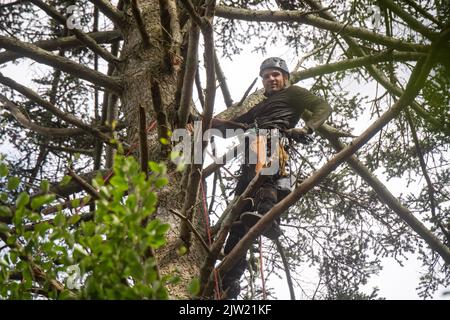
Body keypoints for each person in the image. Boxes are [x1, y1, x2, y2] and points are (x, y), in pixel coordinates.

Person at [210, 57, 332, 299]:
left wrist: (308, 128)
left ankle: (267, 215)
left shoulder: (294, 93)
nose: (271, 79)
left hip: (274, 140)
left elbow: (322, 107)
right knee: (238, 213)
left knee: (268, 174)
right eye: (266, 76)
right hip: (251, 154)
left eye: (275, 74)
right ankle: (227, 280)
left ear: (285, 77)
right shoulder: (258, 109)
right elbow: (234, 126)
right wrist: (205, 122)